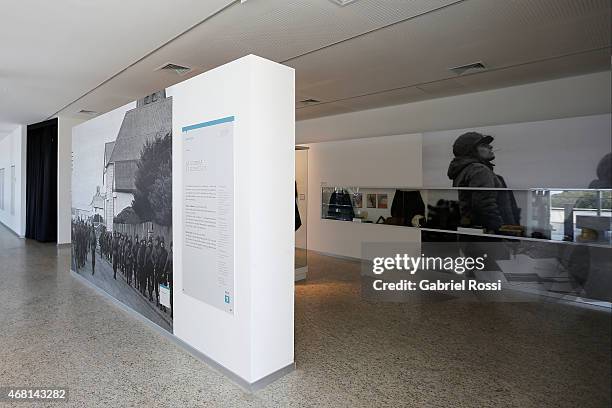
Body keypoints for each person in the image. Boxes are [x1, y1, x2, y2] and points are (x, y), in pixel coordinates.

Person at [447, 132, 520, 233]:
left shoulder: (467, 170)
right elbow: (484, 206)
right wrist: (501, 233)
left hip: (474, 236)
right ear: (471, 150)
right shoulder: (479, 170)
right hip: (490, 237)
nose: (490, 146)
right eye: (483, 145)